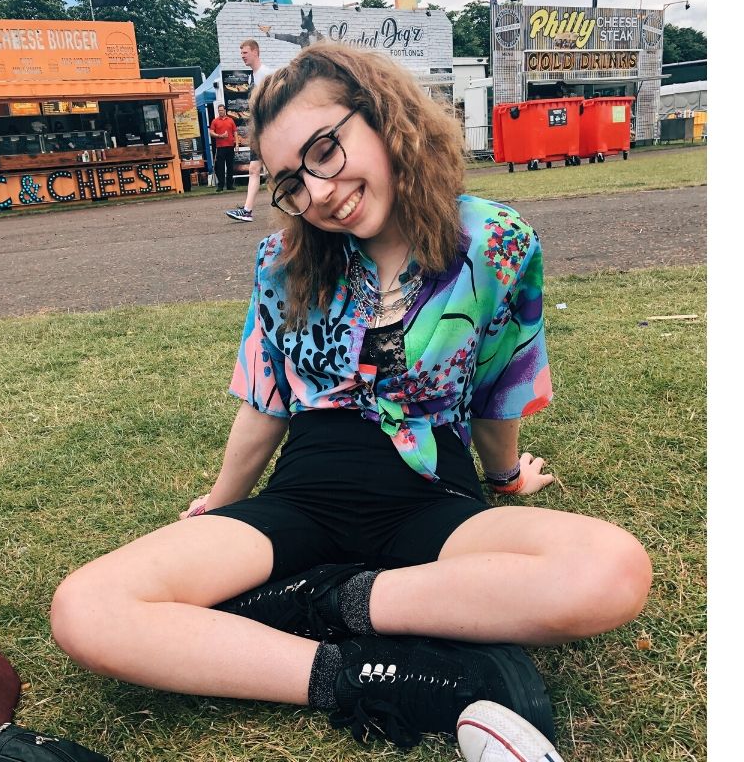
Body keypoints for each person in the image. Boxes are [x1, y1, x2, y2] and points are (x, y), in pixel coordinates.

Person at [51, 45, 652, 759]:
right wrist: (219, 504)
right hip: (304, 496)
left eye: (325, 151)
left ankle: (329, 602)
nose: (319, 192)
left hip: (432, 498)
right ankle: (360, 674)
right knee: (85, 608)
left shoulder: (494, 241)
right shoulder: (282, 259)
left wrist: (506, 476)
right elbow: (265, 397)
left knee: (611, 571)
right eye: (291, 182)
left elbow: (499, 385)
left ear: (384, 117)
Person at [226, 38, 273, 222]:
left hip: (266, 131)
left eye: (245, 53)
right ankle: (247, 210)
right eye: (241, 53)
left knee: (274, 170)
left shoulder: (266, 74)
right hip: (258, 130)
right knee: (254, 170)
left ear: (255, 51)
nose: (242, 56)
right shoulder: (252, 76)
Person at [209, 105, 238, 192]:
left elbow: (235, 132)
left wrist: (237, 144)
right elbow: (211, 132)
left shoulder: (230, 120)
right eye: (219, 110)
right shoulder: (215, 121)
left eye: (222, 110)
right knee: (220, 167)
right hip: (220, 147)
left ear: (225, 110)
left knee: (230, 167)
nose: (220, 112)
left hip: (230, 146)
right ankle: (220, 185)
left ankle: (230, 185)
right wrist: (219, 136)